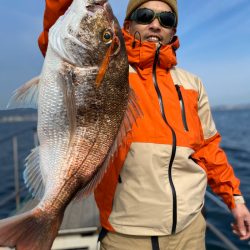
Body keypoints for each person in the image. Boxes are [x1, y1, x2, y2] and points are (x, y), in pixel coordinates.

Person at [38, 0, 250, 249]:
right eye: (145, 15)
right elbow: (65, 36)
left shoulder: (192, 84)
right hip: (125, 235)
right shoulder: (108, 71)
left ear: (173, 31)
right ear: (127, 24)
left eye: (166, 20)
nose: (156, 24)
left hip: (190, 228)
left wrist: (234, 199)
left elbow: (208, 148)